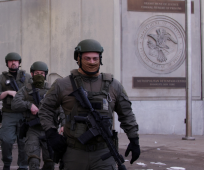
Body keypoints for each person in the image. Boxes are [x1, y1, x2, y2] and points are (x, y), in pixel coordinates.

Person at [38, 39, 140, 170]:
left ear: (100, 59)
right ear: (78, 59)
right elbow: (45, 109)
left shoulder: (114, 86)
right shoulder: (63, 84)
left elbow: (127, 115)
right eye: (87, 58)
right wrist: (51, 132)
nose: (92, 62)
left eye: (95, 58)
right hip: (74, 153)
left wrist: (134, 139)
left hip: (104, 152)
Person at [11, 61, 64, 170]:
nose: (39, 75)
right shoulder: (26, 89)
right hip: (33, 129)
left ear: (45, 74)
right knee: (33, 161)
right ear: (32, 74)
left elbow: (62, 108)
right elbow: (14, 104)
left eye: (42, 73)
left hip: (49, 128)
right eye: (36, 73)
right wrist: (29, 105)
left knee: (50, 163)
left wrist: (64, 123)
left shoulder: (52, 89)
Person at [0, 52, 31, 170]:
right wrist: (7, 92)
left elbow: (35, 91)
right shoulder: (2, 78)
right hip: (9, 113)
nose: (13, 63)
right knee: (6, 140)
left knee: (24, 141)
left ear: (19, 63)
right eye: (10, 61)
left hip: (24, 113)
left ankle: (23, 166)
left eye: (15, 61)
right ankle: (7, 163)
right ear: (7, 63)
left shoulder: (27, 77)